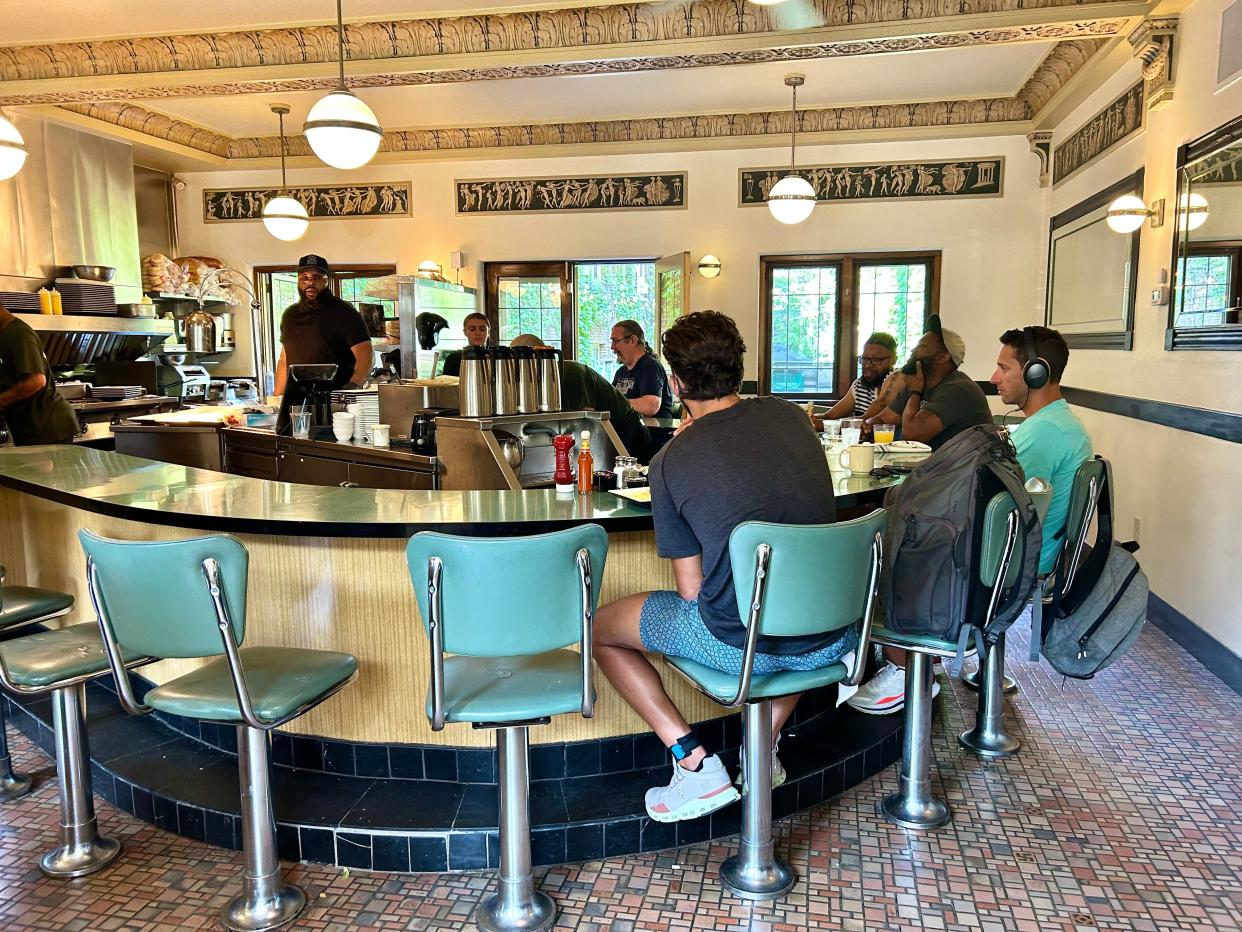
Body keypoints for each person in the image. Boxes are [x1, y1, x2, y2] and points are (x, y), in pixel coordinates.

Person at [592, 311, 851, 823]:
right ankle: (761, 748)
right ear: (738, 367)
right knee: (789, 609)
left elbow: (691, 592)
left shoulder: (671, 461)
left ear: (675, 382)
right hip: (832, 632)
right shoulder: (792, 417)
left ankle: (693, 762)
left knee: (600, 630)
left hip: (740, 644)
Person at [849, 315, 992, 715]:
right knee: (882, 504)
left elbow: (913, 431)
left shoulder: (956, 389)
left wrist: (910, 392)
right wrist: (877, 415)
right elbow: (886, 418)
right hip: (948, 494)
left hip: (957, 508)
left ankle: (908, 665)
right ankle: (900, 650)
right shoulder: (928, 382)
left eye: (922, 352)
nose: (914, 356)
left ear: (944, 358)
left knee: (885, 525)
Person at [991, 326, 1093, 575]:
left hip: (1016, 569)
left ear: (1035, 373)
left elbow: (999, 511)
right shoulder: (1058, 421)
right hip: (1034, 556)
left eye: (1004, 368)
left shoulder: (1045, 432)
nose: (994, 378)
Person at [510, 334, 653, 463]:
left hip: (626, 428)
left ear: (537, 356)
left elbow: (584, 420)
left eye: (519, 359)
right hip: (609, 428)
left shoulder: (570, 373)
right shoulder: (538, 380)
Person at [866, 314, 990, 450]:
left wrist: (915, 392)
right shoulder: (918, 383)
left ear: (943, 357)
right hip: (929, 467)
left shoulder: (958, 389)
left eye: (922, 346)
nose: (913, 350)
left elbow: (912, 435)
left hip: (961, 469)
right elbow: (884, 420)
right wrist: (866, 426)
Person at [273, 255, 370, 395]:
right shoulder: (289, 315)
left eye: (317, 277)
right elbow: (284, 359)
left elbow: (365, 355)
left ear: (327, 281)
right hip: (296, 399)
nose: (310, 282)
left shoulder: (345, 313)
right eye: (304, 277)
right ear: (298, 281)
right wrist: (277, 397)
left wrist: (352, 386)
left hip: (336, 399)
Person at [0, 301, 79, 445]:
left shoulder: (17, 333)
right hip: (30, 427)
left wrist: (2, 400)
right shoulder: (5, 334)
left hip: (46, 426)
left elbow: (36, 380)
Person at [819, 332, 898, 421]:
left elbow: (867, 420)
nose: (868, 365)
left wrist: (822, 425)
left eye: (876, 359)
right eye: (864, 359)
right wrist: (810, 419)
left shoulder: (898, 377)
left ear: (894, 360)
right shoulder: (859, 385)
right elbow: (829, 416)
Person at [610, 319, 674, 419]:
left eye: (615, 341)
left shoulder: (650, 366)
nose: (612, 347)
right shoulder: (620, 372)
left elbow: (651, 406)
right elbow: (610, 399)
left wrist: (616, 403)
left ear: (633, 340)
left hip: (652, 432)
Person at [440, 312, 491, 377]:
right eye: (472, 329)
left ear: (488, 332)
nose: (477, 333)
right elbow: (447, 384)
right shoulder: (453, 359)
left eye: (482, 329)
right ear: (465, 332)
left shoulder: (497, 358)